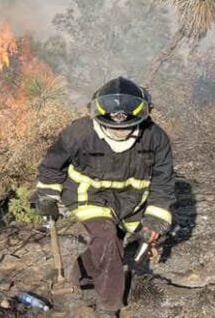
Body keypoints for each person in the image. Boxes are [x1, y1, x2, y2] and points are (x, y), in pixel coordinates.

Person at [34, 77, 175, 318]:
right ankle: (108, 307)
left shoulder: (155, 138)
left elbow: (163, 182)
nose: (119, 132)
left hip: (130, 202)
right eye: (113, 128)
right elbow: (52, 165)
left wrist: (156, 218)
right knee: (107, 238)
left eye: (125, 127)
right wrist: (47, 196)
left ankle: (80, 277)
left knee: (111, 244)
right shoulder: (79, 133)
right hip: (87, 195)